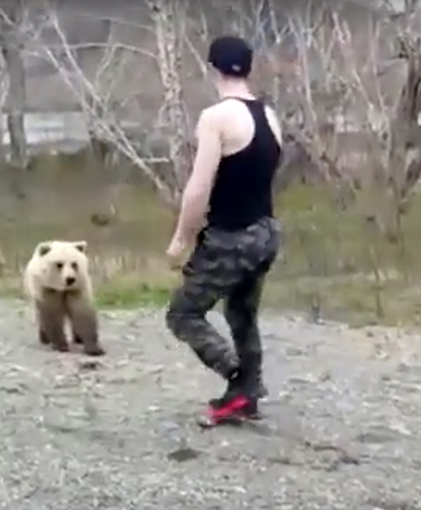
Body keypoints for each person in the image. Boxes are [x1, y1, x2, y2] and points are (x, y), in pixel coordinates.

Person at [164, 35, 283, 426]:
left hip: (231, 237)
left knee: (183, 314)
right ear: (248, 68)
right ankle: (245, 397)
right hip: (266, 231)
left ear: (212, 68)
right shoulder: (269, 117)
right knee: (241, 314)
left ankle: (241, 382)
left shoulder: (216, 118)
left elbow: (199, 188)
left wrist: (182, 238)